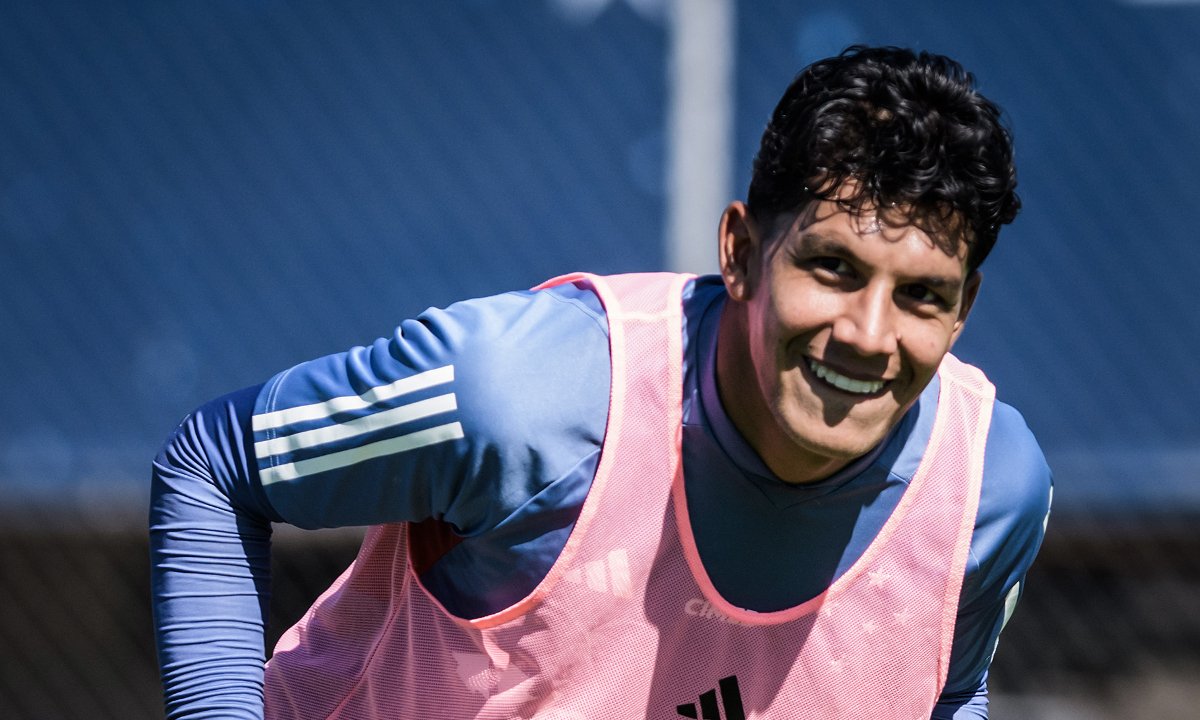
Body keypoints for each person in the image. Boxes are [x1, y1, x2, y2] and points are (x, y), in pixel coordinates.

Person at [150, 45, 1052, 719]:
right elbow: (213, 464)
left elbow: (946, 691)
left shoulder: (987, 492)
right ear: (738, 252)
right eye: (832, 269)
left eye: (921, 296)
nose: (867, 335)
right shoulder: (526, 395)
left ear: (963, 309)